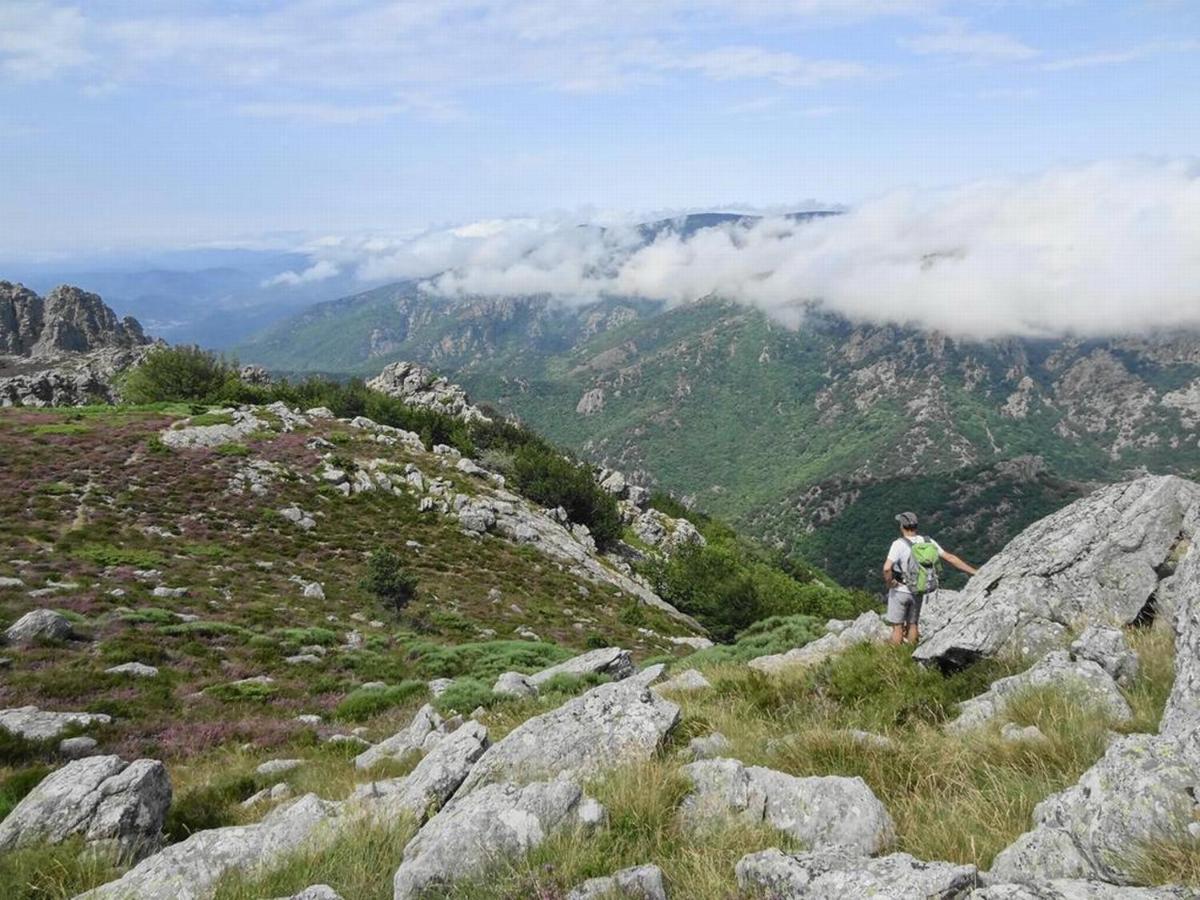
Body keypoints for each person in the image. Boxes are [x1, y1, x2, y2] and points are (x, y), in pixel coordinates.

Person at [882, 511, 977, 646]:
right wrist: (974, 571)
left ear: (902, 526)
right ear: (916, 526)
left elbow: (887, 568)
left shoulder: (898, 544)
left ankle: (895, 659)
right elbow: (950, 558)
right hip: (919, 589)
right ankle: (911, 653)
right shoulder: (928, 541)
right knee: (913, 624)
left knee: (897, 627)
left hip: (900, 591)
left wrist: (890, 582)